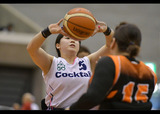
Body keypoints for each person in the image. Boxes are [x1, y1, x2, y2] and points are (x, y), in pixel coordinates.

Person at [66, 22, 157, 110]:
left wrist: (71, 108)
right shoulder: (150, 73)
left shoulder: (110, 62)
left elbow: (92, 97)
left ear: (113, 43)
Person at [27, 18, 114, 110]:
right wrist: (47, 31)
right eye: (67, 38)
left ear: (79, 46)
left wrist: (106, 30)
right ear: (58, 45)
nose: (72, 40)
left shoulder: (88, 61)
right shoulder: (52, 63)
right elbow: (32, 48)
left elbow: (111, 46)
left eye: (76, 39)